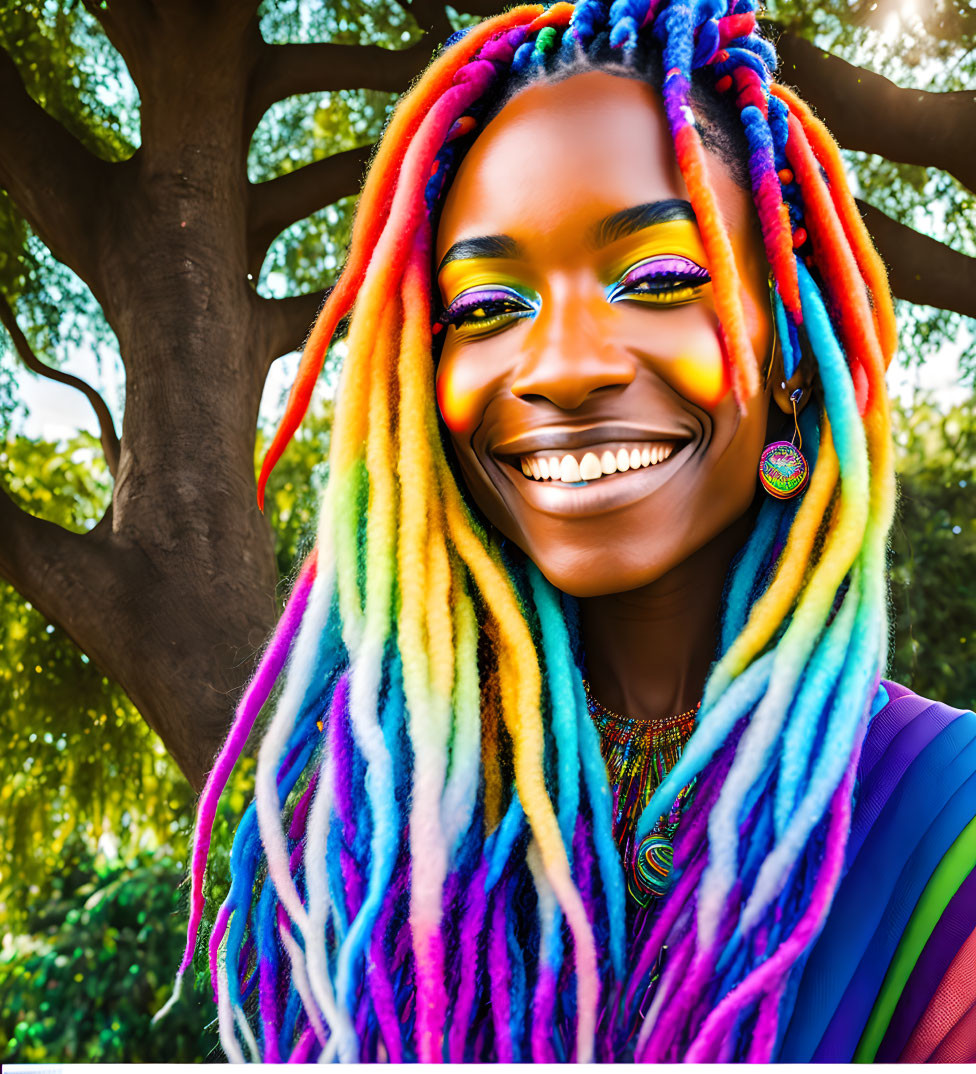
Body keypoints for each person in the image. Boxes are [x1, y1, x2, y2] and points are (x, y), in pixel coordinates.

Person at [158, 0, 976, 1062]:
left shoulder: (944, 830)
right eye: (487, 307)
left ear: (788, 356)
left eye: (661, 281)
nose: (561, 365)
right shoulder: (366, 842)